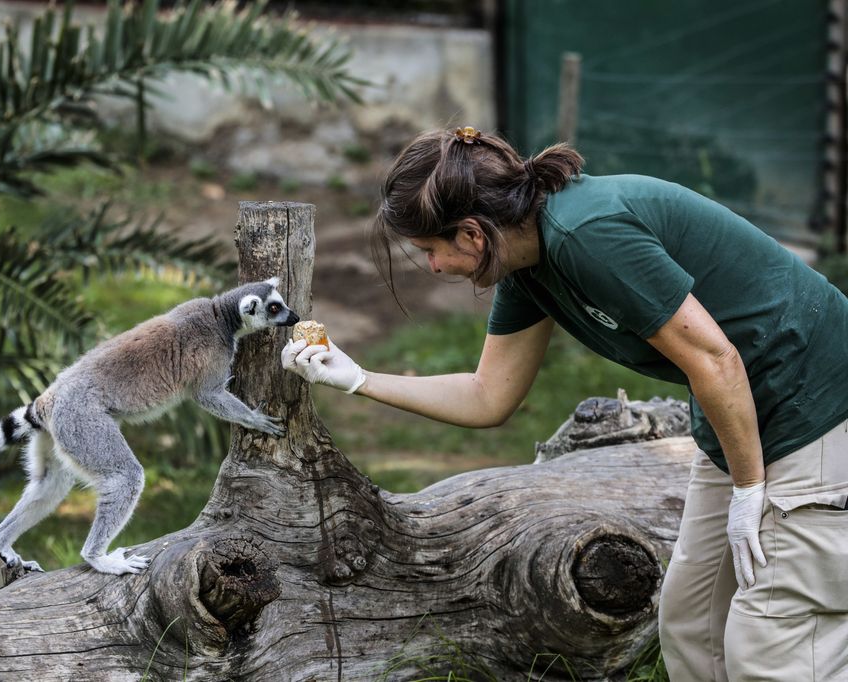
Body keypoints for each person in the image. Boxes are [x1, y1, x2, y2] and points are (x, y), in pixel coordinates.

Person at [280, 126, 848, 681]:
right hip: (738, 414)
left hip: (817, 406)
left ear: (473, 235)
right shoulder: (527, 265)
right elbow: (488, 396)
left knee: (772, 644)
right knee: (691, 625)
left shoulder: (587, 233)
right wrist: (359, 379)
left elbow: (715, 360)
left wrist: (750, 492)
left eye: (431, 250)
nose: (433, 268)